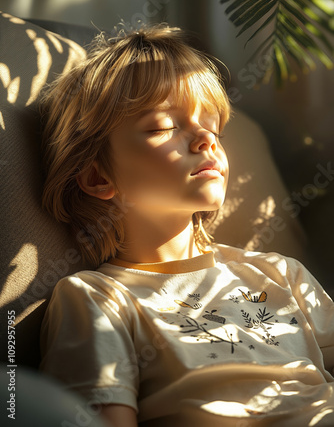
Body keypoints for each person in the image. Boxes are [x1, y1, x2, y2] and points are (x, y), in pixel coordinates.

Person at [39, 25, 334, 427]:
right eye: (163, 126)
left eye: (213, 128)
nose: (204, 140)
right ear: (97, 178)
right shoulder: (98, 298)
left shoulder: (280, 274)